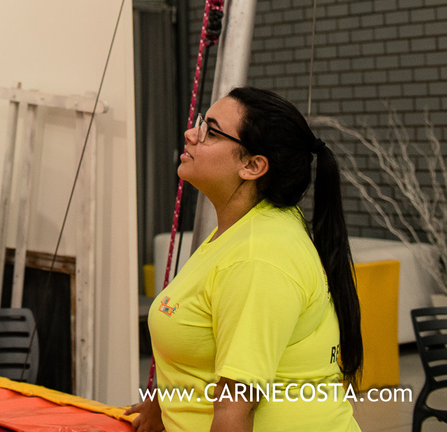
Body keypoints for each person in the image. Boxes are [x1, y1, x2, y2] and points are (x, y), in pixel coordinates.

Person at [131, 87, 363, 432]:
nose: (190, 135)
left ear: (252, 166)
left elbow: (234, 413)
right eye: (200, 123)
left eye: (210, 130)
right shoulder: (241, 232)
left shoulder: (259, 257)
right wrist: (165, 400)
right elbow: (210, 343)